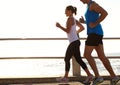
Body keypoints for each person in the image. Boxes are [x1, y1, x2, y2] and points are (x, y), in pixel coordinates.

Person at [79, 0, 120, 85]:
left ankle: (98, 77)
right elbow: (92, 20)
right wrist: (84, 22)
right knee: (102, 56)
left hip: (94, 34)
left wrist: (95, 23)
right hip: (97, 33)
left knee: (86, 55)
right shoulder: (89, 6)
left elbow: (104, 13)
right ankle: (114, 77)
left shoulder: (93, 4)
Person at [56, 5, 94, 84]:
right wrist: (76, 32)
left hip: (74, 42)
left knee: (71, 59)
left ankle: (89, 75)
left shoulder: (70, 19)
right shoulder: (74, 19)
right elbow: (82, 28)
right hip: (75, 42)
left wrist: (59, 26)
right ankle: (66, 77)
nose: (65, 12)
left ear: (70, 11)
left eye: (66, 10)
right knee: (71, 59)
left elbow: (68, 30)